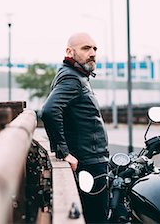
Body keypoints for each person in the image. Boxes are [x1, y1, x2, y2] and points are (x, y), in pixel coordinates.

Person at [41, 32, 109, 224]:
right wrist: (63, 152)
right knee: (97, 219)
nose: (93, 53)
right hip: (89, 163)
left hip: (90, 161)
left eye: (95, 48)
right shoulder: (73, 79)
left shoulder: (76, 76)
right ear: (70, 52)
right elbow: (49, 111)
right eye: (86, 48)